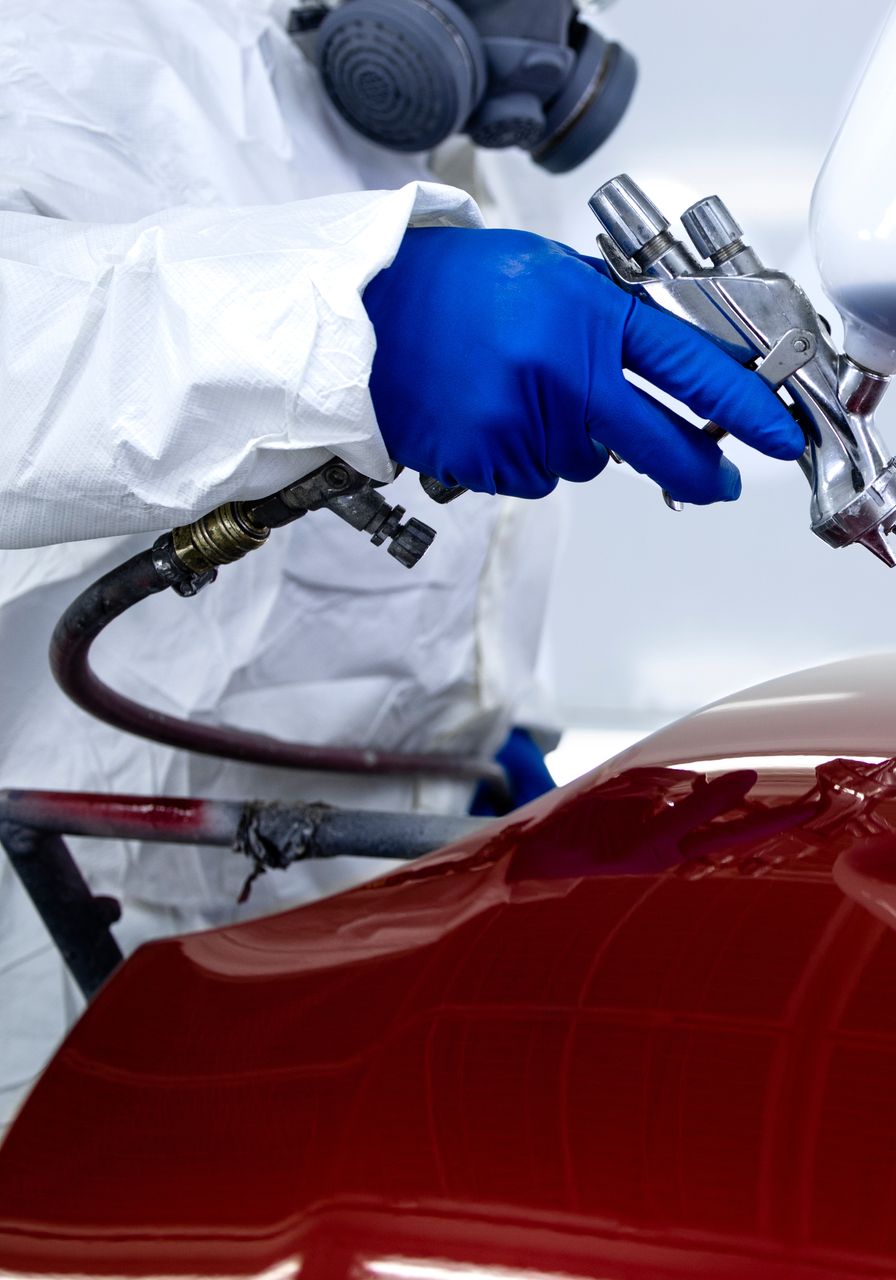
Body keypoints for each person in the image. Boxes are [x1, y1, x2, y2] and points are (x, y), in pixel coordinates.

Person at [0, 0, 803, 1127]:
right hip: (73, 932)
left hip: (351, 926)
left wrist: (474, 751)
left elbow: (404, 578)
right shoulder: (66, 46)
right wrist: (348, 321)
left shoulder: (471, 153)